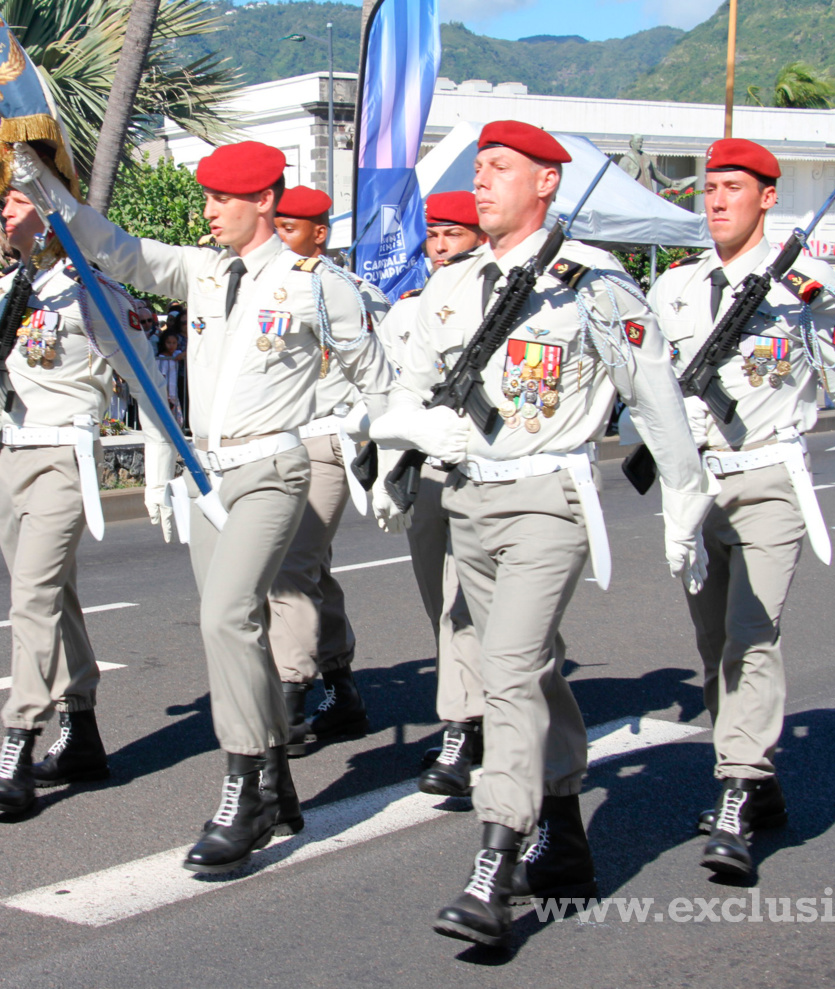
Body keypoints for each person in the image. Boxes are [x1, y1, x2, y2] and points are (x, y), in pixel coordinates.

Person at [370, 121, 712, 946]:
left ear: (547, 183)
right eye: (478, 168)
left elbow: (654, 394)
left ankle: (497, 858)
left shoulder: (591, 282)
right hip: (464, 501)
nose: (480, 182)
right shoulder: (452, 286)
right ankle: (566, 829)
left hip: (547, 500)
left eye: (499, 169)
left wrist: (686, 498)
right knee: (534, 672)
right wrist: (401, 450)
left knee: (509, 673)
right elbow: (405, 389)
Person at [16, 140, 394, 873]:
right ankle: (279, 778)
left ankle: (245, 788)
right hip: (207, 476)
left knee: (227, 615)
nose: (209, 209)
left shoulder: (315, 285)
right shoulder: (203, 269)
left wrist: (392, 463)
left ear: (265, 201)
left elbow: (380, 383)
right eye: (208, 196)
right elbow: (116, 250)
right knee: (238, 631)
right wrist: (46, 190)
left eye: (224, 197)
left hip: (272, 468)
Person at [648, 137, 835, 878]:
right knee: (711, 647)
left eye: (733, 187)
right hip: (696, 486)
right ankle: (758, 783)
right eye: (710, 187)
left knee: (750, 635)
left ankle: (733, 791)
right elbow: (654, 390)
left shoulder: (805, 285)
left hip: (769, 476)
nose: (717, 198)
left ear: (767, 196)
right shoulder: (676, 286)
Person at [0, 185, 179, 816]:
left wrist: (161, 467)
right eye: (0, 202)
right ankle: (82, 731)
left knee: (33, 598)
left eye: (16, 199)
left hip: (62, 458)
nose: (2, 210)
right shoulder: (1, 292)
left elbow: (146, 379)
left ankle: (18, 741)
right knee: (52, 597)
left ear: (49, 213)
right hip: (10, 457)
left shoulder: (90, 291)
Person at [267, 183, 390, 755]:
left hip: (324, 440)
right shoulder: (268, 283)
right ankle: (343, 692)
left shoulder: (337, 289)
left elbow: (378, 370)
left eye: (289, 227)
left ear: (320, 233)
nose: (277, 236)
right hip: (280, 443)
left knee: (289, 570)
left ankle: (290, 701)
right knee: (311, 571)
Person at [374, 190, 489, 796]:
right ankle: (473, 705)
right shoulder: (406, 312)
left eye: (455, 235)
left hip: (483, 466)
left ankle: (463, 726)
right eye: (435, 237)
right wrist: (387, 474)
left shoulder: (500, 296)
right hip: (426, 470)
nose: (442, 247)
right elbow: (397, 396)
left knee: (464, 603)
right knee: (437, 604)